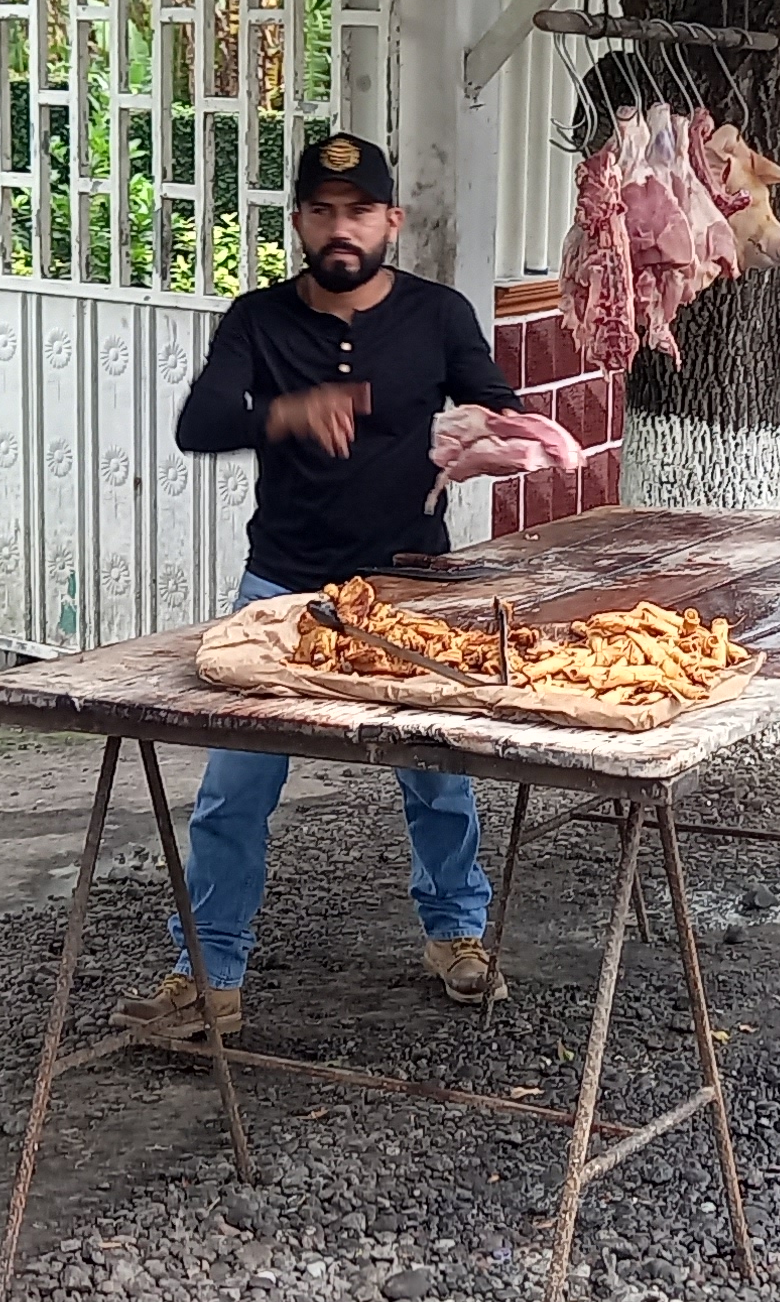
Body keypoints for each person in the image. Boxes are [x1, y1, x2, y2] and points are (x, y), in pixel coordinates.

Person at [130, 133, 525, 1036]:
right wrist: (287, 411)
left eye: (358, 212)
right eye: (322, 212)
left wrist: (488, 438)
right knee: (235, 785)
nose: (340, 229)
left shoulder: (437, 314)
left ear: (391, 220)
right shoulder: (259, 320)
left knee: (438, 772)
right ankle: (208, 971)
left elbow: (501, 406)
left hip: (410, 584)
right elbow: (197, 425)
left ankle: (457, 933)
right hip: (282, 588)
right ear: (302, 222)